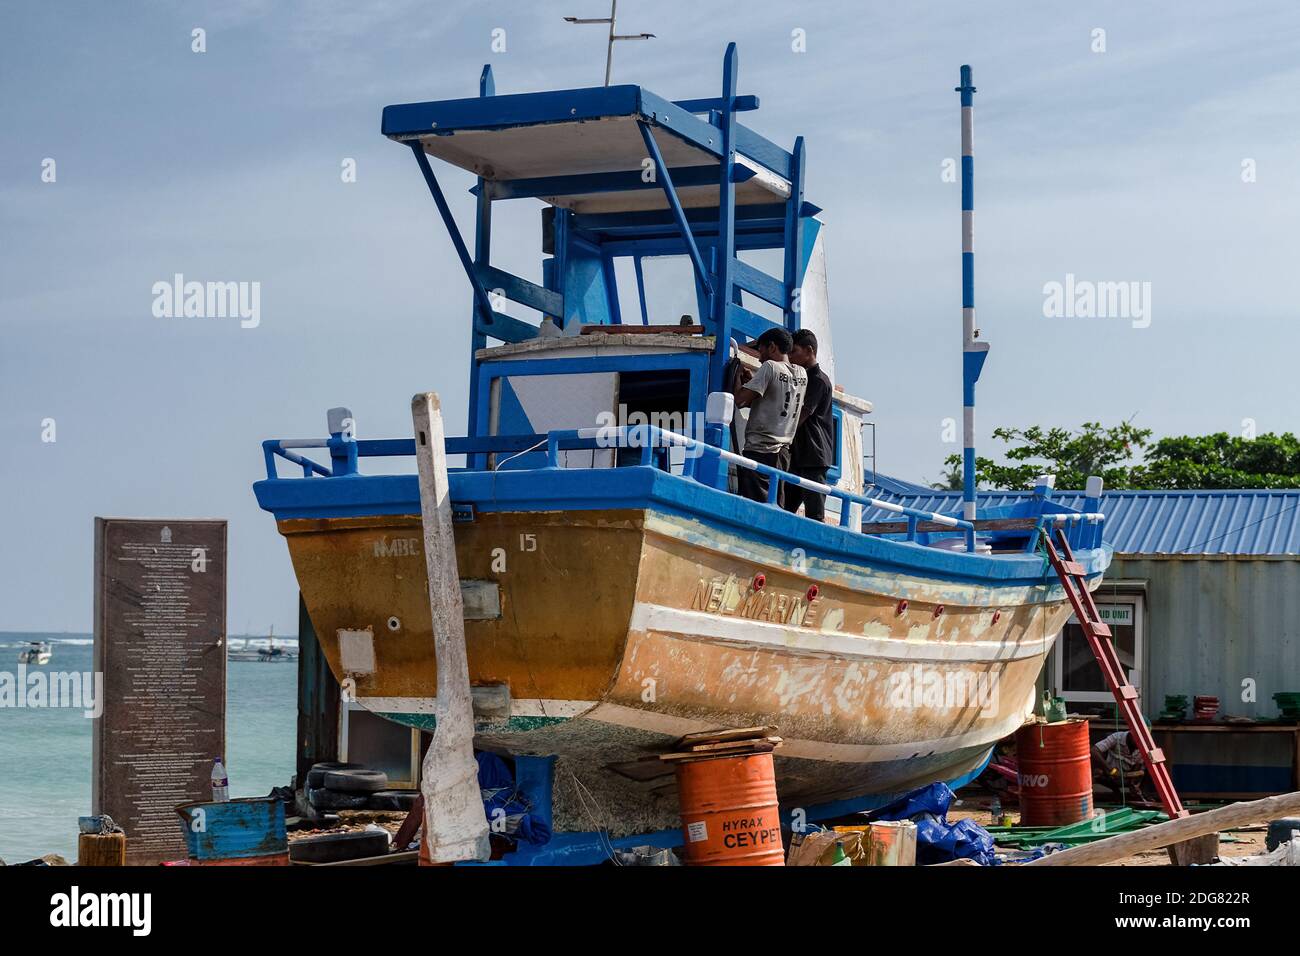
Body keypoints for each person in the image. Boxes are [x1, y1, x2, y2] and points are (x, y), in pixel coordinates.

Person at [732, 328, 807, 505]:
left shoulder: (770, 367)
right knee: (775, 504)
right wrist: (754, 382)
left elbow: (740, 400)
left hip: (760, 451)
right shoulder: (802, 374)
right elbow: (775, 399)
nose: (759, 357)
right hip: (783, 455)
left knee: (754, 505)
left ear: (772, 347)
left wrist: (736, 375)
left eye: (762, 350)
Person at [782, 329, 834, 520]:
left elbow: (802, 413)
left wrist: (779, 432)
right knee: (783, 510)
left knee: (815, 515)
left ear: (809, 350)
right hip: (798, 455)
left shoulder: (818, 380)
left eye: (794, 351)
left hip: (814, 457)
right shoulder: (802, 378)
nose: (791, 357)